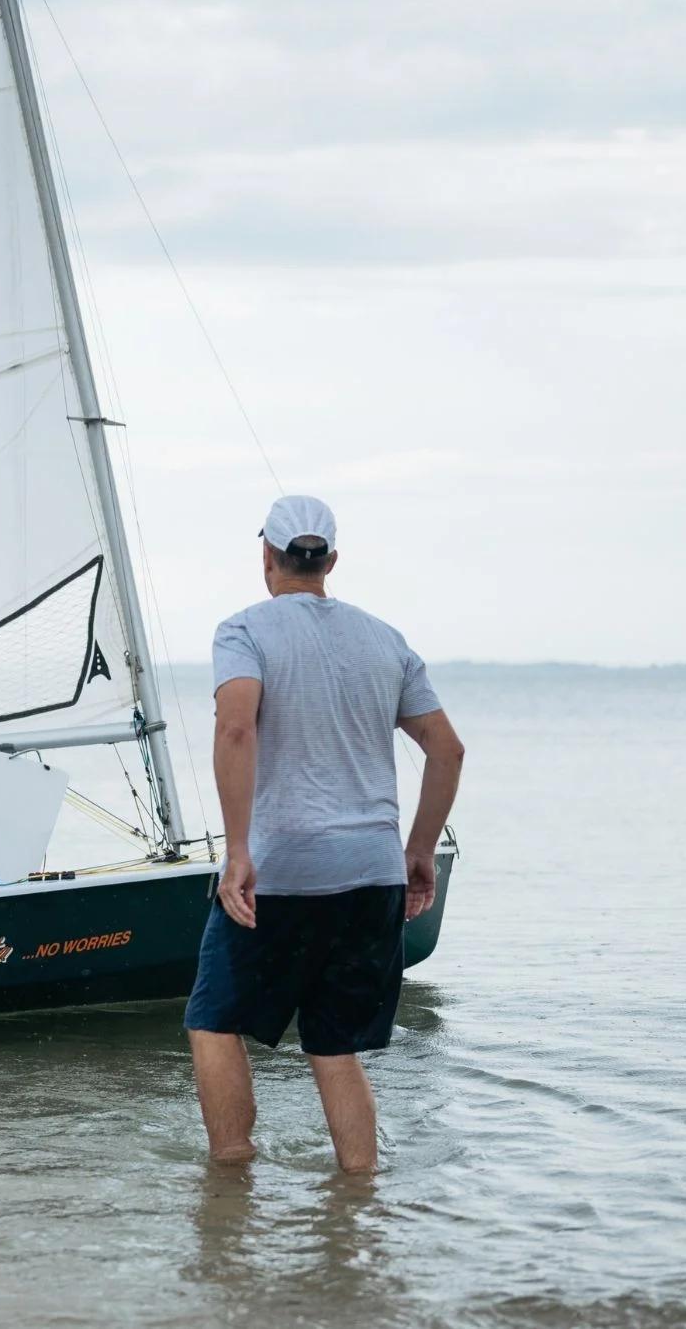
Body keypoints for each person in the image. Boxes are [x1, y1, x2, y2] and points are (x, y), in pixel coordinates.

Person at [186, 496, 465, 1172]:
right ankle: (359, 1193)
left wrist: (238, 851)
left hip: (283, 869)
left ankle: (231, 1180)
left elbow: (235, 728)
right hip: (372, 873)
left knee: (214, 1021)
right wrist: (420, 852)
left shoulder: (243, 632)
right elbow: (447, 751)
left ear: (267, 557)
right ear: (331, 562)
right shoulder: (385, 639)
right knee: (334, 1045)